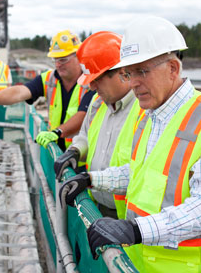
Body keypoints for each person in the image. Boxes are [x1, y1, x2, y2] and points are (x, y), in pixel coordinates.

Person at [59, 16, 201, 272]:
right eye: (129, 73)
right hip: (142, 263)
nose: (133, 83)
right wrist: (91, 179)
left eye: (142, 71)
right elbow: (139, 175)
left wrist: (135, 229)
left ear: (173, 69)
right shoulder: (148, 116)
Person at [54, 31, 144, 220]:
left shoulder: (144, 110)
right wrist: (75, 151)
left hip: (128, 218)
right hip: (97, 208)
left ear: (122, 73)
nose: (92, 87)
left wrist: (91, 179)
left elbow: (142, 172)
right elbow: (85, 136)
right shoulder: (97, 104)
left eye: (97, 80)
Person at [0, 30, 95, 151]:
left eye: (63, 59)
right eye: (55, 59)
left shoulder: (91, 83)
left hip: (81, 160)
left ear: (79, 56)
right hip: (56, 154)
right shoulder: (49, 79)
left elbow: (82, 116)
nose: (58, 64)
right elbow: (20, 92)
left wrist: (57, 132)